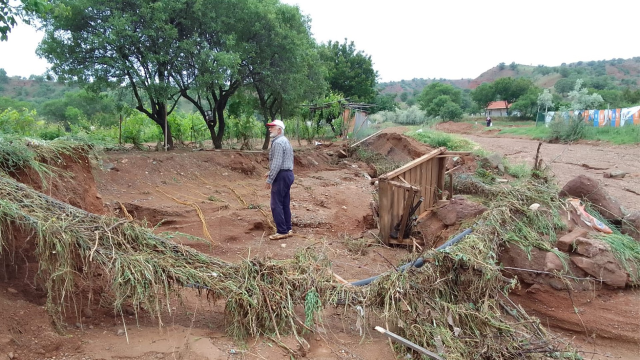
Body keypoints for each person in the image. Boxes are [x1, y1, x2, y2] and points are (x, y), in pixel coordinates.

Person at [264, 120, 294, 240]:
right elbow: (284, 161)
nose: (270, 129)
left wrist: (270, 179)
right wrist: (270, 172)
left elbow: (276, 163)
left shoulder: (278, 143)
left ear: (279, 130)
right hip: (288, 174)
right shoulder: (285, 141)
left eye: (272, 127)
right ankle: (288, 228)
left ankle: (282, 231)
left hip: (281, 176)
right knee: (284, 203)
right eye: (269, 127)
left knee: (276, 204)